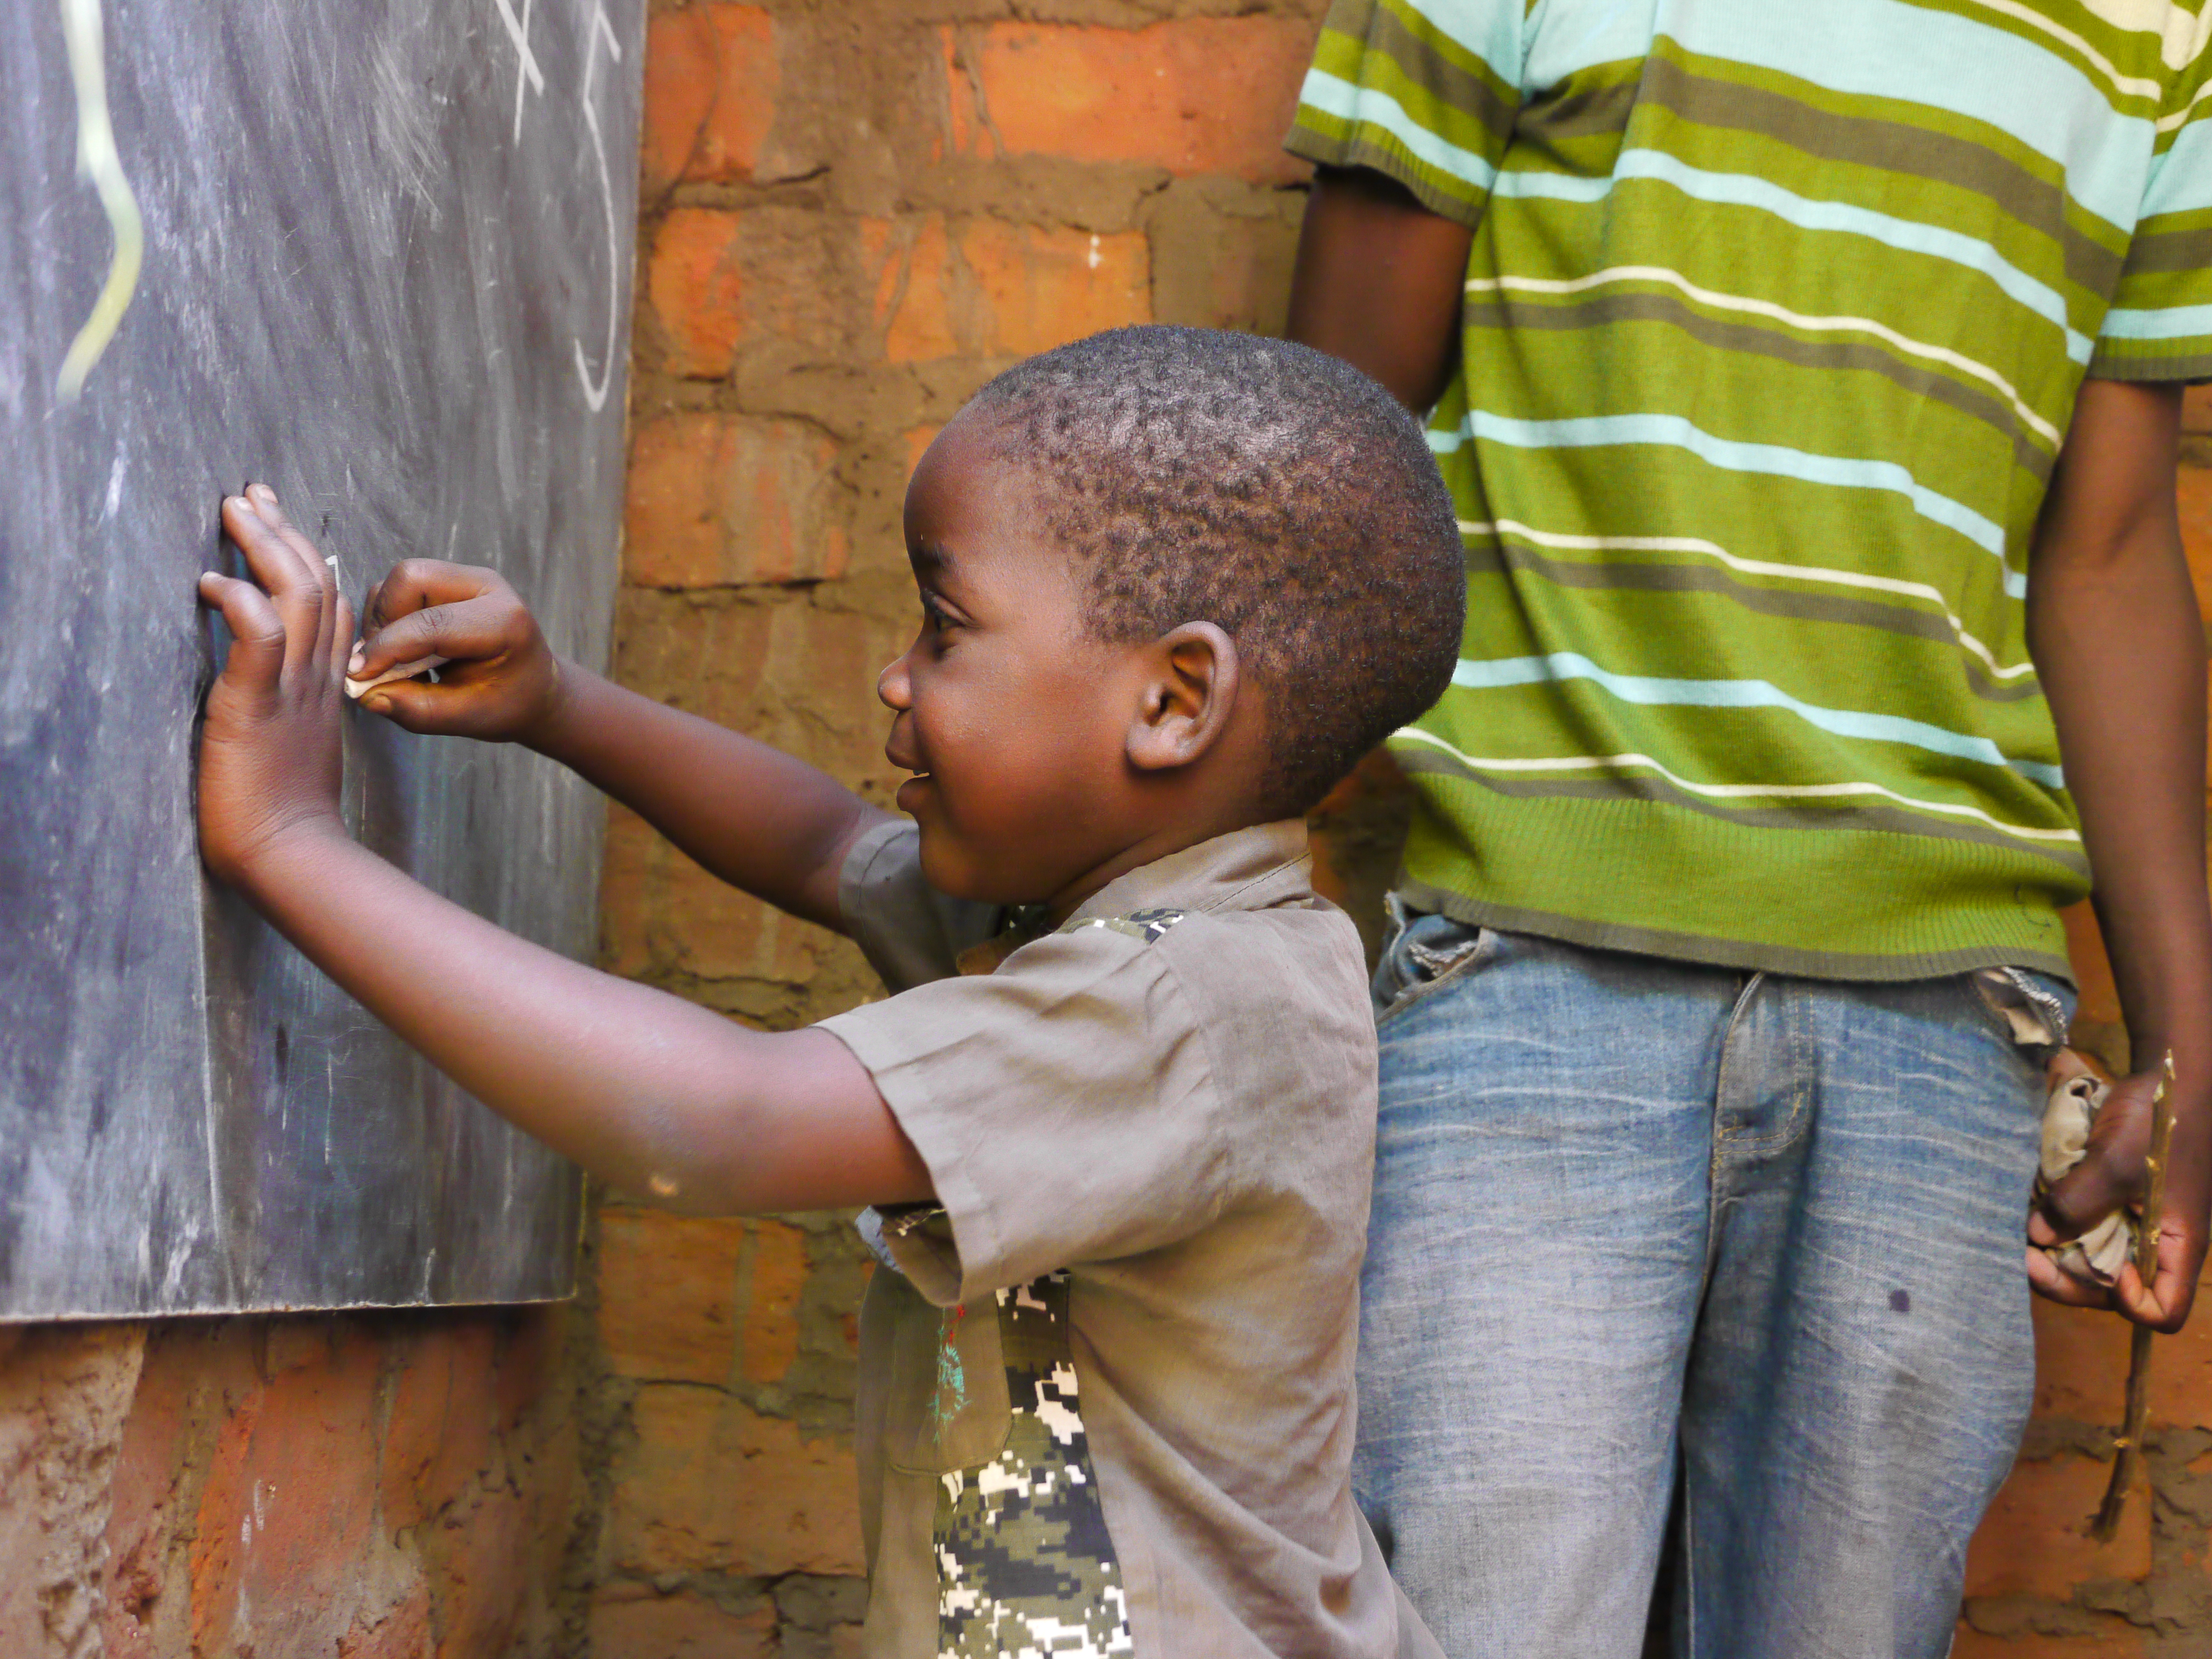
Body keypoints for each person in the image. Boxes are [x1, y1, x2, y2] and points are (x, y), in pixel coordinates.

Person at [191, 326, 1464, 1658]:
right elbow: (828, 850)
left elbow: (715, 1123)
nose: (895, 676)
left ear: (1174, 698)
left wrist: (289, 842)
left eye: (947, 628)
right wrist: (555, 703)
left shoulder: (1186, 1005)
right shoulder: (1096, 920)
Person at [1279, 3, 2212, 1656]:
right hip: (1527, 960)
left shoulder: (2158, 32)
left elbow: (2114, 547)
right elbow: (1327, 431)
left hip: (1942, 1020)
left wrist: (2194, 1048)